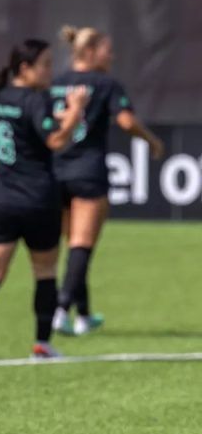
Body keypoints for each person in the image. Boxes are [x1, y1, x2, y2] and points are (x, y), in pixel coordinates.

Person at [0, 39, 88, 361]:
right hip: (38, 199)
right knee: (46, 271)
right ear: (25, 68)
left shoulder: (1, 97)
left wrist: (61, 115)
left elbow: (34, 127)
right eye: (46, 65)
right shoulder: (36, 100)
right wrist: (76, 111)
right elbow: (54, 140)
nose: (51, 72)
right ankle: (42, 344)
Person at [50, 26, 165, 337]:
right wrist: (152, 141)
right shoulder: (105, 83)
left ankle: (84, 316)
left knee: (73, 246)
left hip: (56, 170)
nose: (111, 56)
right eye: (107, 49)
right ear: (90, 52)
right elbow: (126, 121)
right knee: (82, 246)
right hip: (87, 171)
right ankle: (60, 310)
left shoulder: (56, 82)